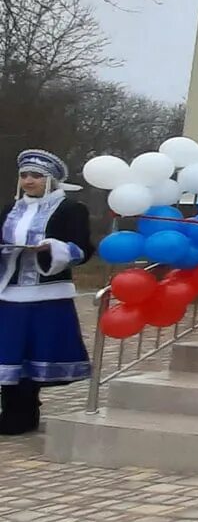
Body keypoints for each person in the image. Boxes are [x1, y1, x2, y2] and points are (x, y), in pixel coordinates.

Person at [1, 150, 97, 436]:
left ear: (51, 180)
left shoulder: (70, 209)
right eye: (24, 175)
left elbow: (82, 248)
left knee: (33, 352)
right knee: (9, 354)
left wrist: (53, 247)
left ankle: (25, 412)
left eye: (36, 176)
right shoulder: (10, 209)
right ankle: (12, 410)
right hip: (9, 293)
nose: (28, 181)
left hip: (47, 295)